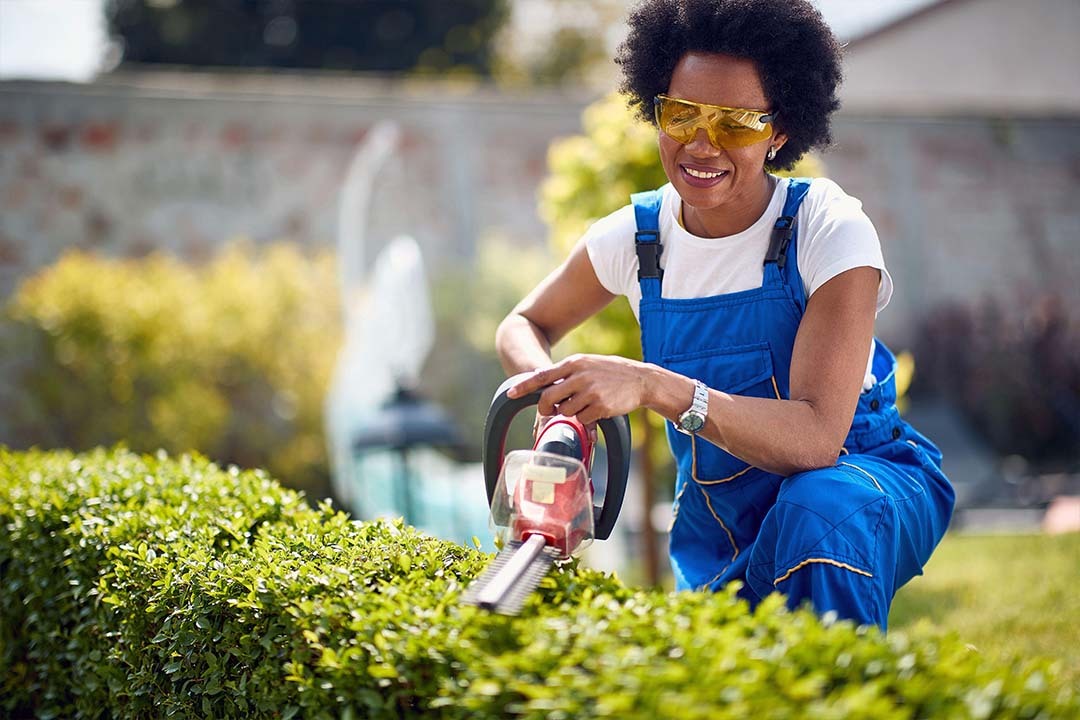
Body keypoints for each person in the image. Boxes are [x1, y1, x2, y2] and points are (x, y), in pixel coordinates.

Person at [496, 0, 954, 630]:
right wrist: (561, 401)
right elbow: (522, 325)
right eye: (681, 115)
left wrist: (653, 385)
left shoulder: (827, 229)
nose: (701, 144)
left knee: (817, 510)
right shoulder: (638, 239)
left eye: (736, 123)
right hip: (720, 514)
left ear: (780, 129)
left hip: (860, 482)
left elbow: (818, 440)